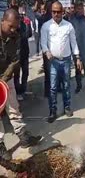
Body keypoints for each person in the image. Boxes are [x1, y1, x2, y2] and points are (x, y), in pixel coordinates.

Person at [0, 9, 42, 161]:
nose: (13, 30)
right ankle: (0, 146)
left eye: (15, 27)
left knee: (13, 108)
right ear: (3, 21)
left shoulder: (16, 36)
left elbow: (15, 60)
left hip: (6, 76)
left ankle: (23, 136)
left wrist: (5, 79)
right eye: (10, 26)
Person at [41, 2, 82, 123]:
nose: (56, 14)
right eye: (54, 11)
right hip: (53, 62)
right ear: (51, 12)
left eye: (59, 11)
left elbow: (73, 43)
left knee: (66, 85)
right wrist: (46, 51)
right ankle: (52, 111)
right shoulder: (46, 26)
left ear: (62, 12)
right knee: (53, 88)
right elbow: (43, 42)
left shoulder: (68, 26)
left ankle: (67, 107)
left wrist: (77, 58)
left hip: (66, 61)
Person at [13, 6, 32, 101]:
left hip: (25, 52)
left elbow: (29, 35)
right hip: (16, 54)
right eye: (20, 15)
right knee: (16, 74)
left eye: (23, 14)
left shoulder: (25, 23)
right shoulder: (14, 25)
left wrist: (28, 24)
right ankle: (18, 92)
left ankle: (23, 89)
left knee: (26, 72)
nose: (22, 16)